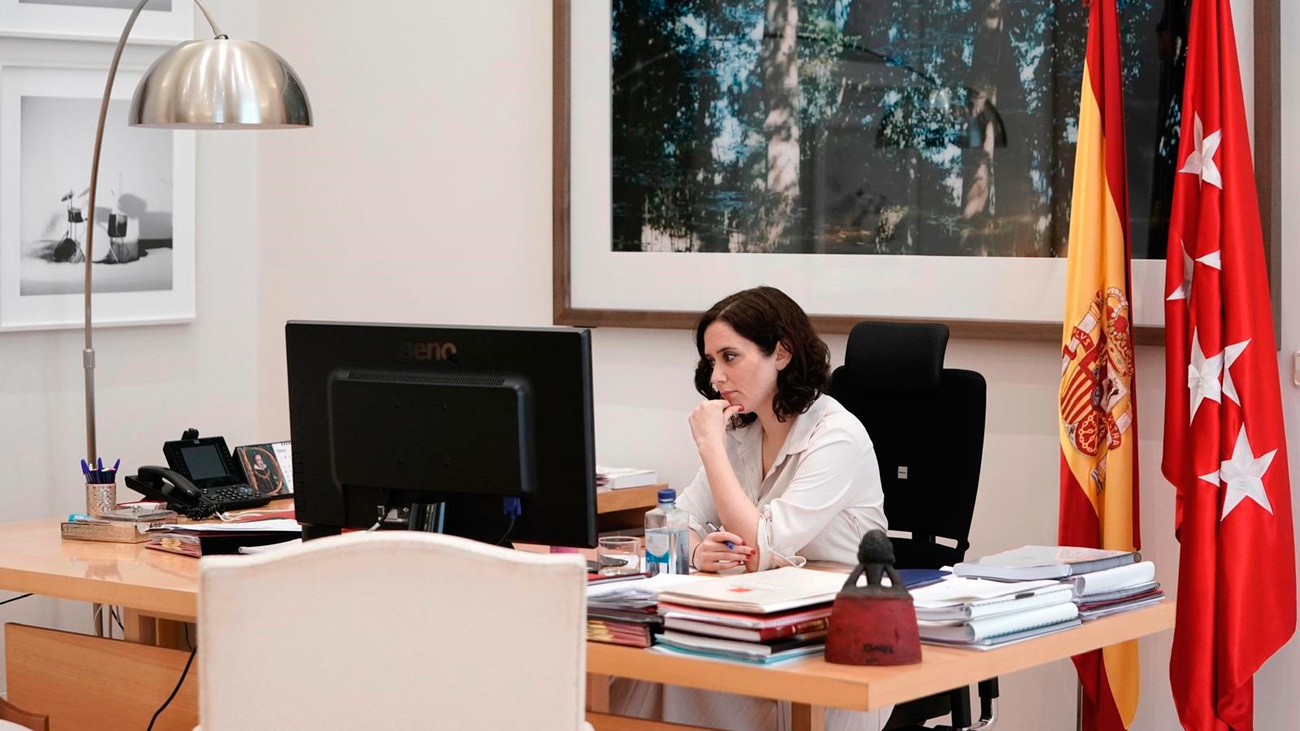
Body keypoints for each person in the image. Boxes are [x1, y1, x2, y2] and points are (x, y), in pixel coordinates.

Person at [611, 286, 889, 731]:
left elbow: (761, 549)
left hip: (831, 628)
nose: (717, 377)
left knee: (681, 672)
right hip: (757, 609)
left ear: (781, 353)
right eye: (710, 362)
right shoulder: (744, 431)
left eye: (730, 357)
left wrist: (710, 448)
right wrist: (700, 551)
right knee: (648, 661)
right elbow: (675, 523)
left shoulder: (837, 436)